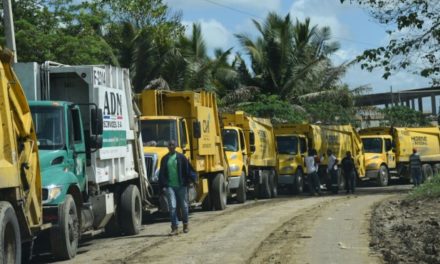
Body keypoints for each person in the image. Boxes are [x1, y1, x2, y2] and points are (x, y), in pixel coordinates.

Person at [159, 140, 195, 235]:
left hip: (181, 186)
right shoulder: (164, 159)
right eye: (169, 145)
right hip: (170, 186)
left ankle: (185, 225)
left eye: (172, 145)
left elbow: (188, 170)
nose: (171, 146)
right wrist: (163, 186)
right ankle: (174, 228)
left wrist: (190, 181)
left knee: (184, 206)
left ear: (175, 146)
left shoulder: (181, 158)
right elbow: (161, 174)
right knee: (173, 207)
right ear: (167, 147)